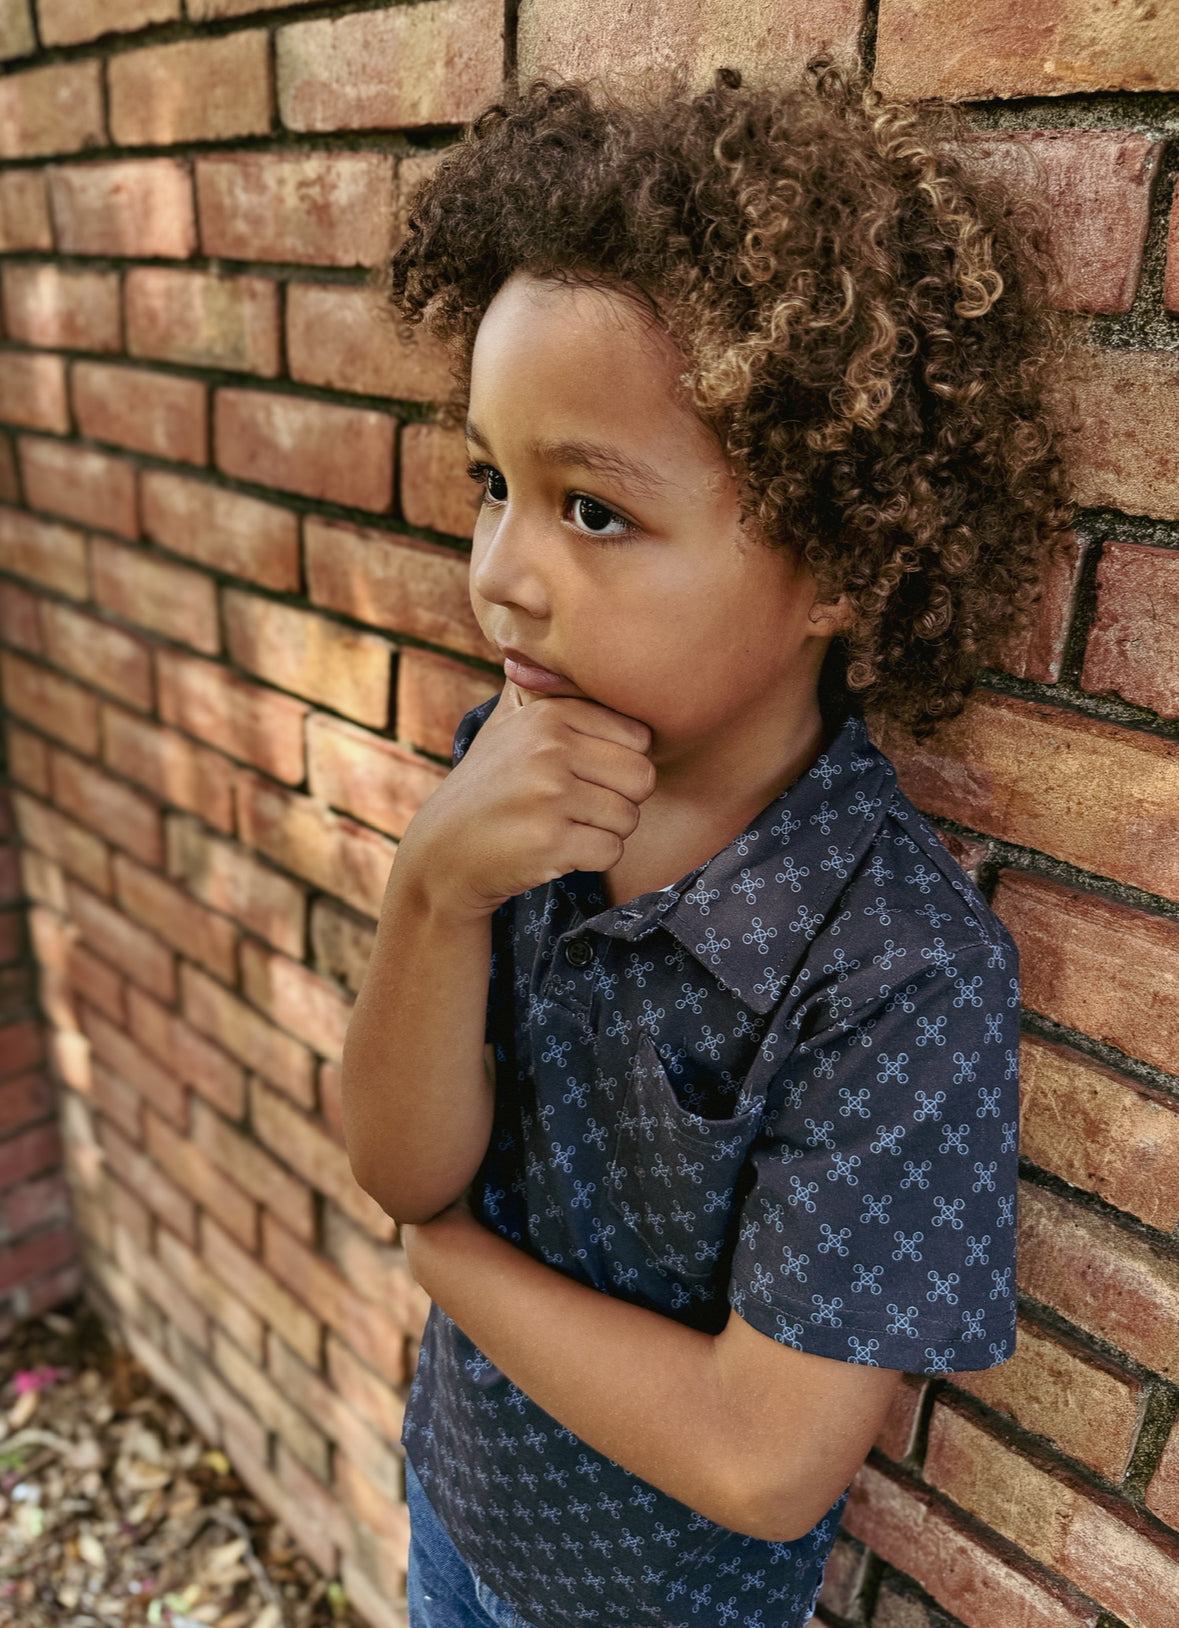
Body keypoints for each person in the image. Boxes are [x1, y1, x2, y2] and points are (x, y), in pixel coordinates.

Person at [341, 60, 1074, 1628]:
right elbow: (397, 1154)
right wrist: (432, 888)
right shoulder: (503, 777)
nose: (502, 576)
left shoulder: (896, 974)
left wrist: (447, 1261)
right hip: (457, 1507)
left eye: (591, 510)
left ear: (842, 562)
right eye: (493, 483)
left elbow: (764, 1460)